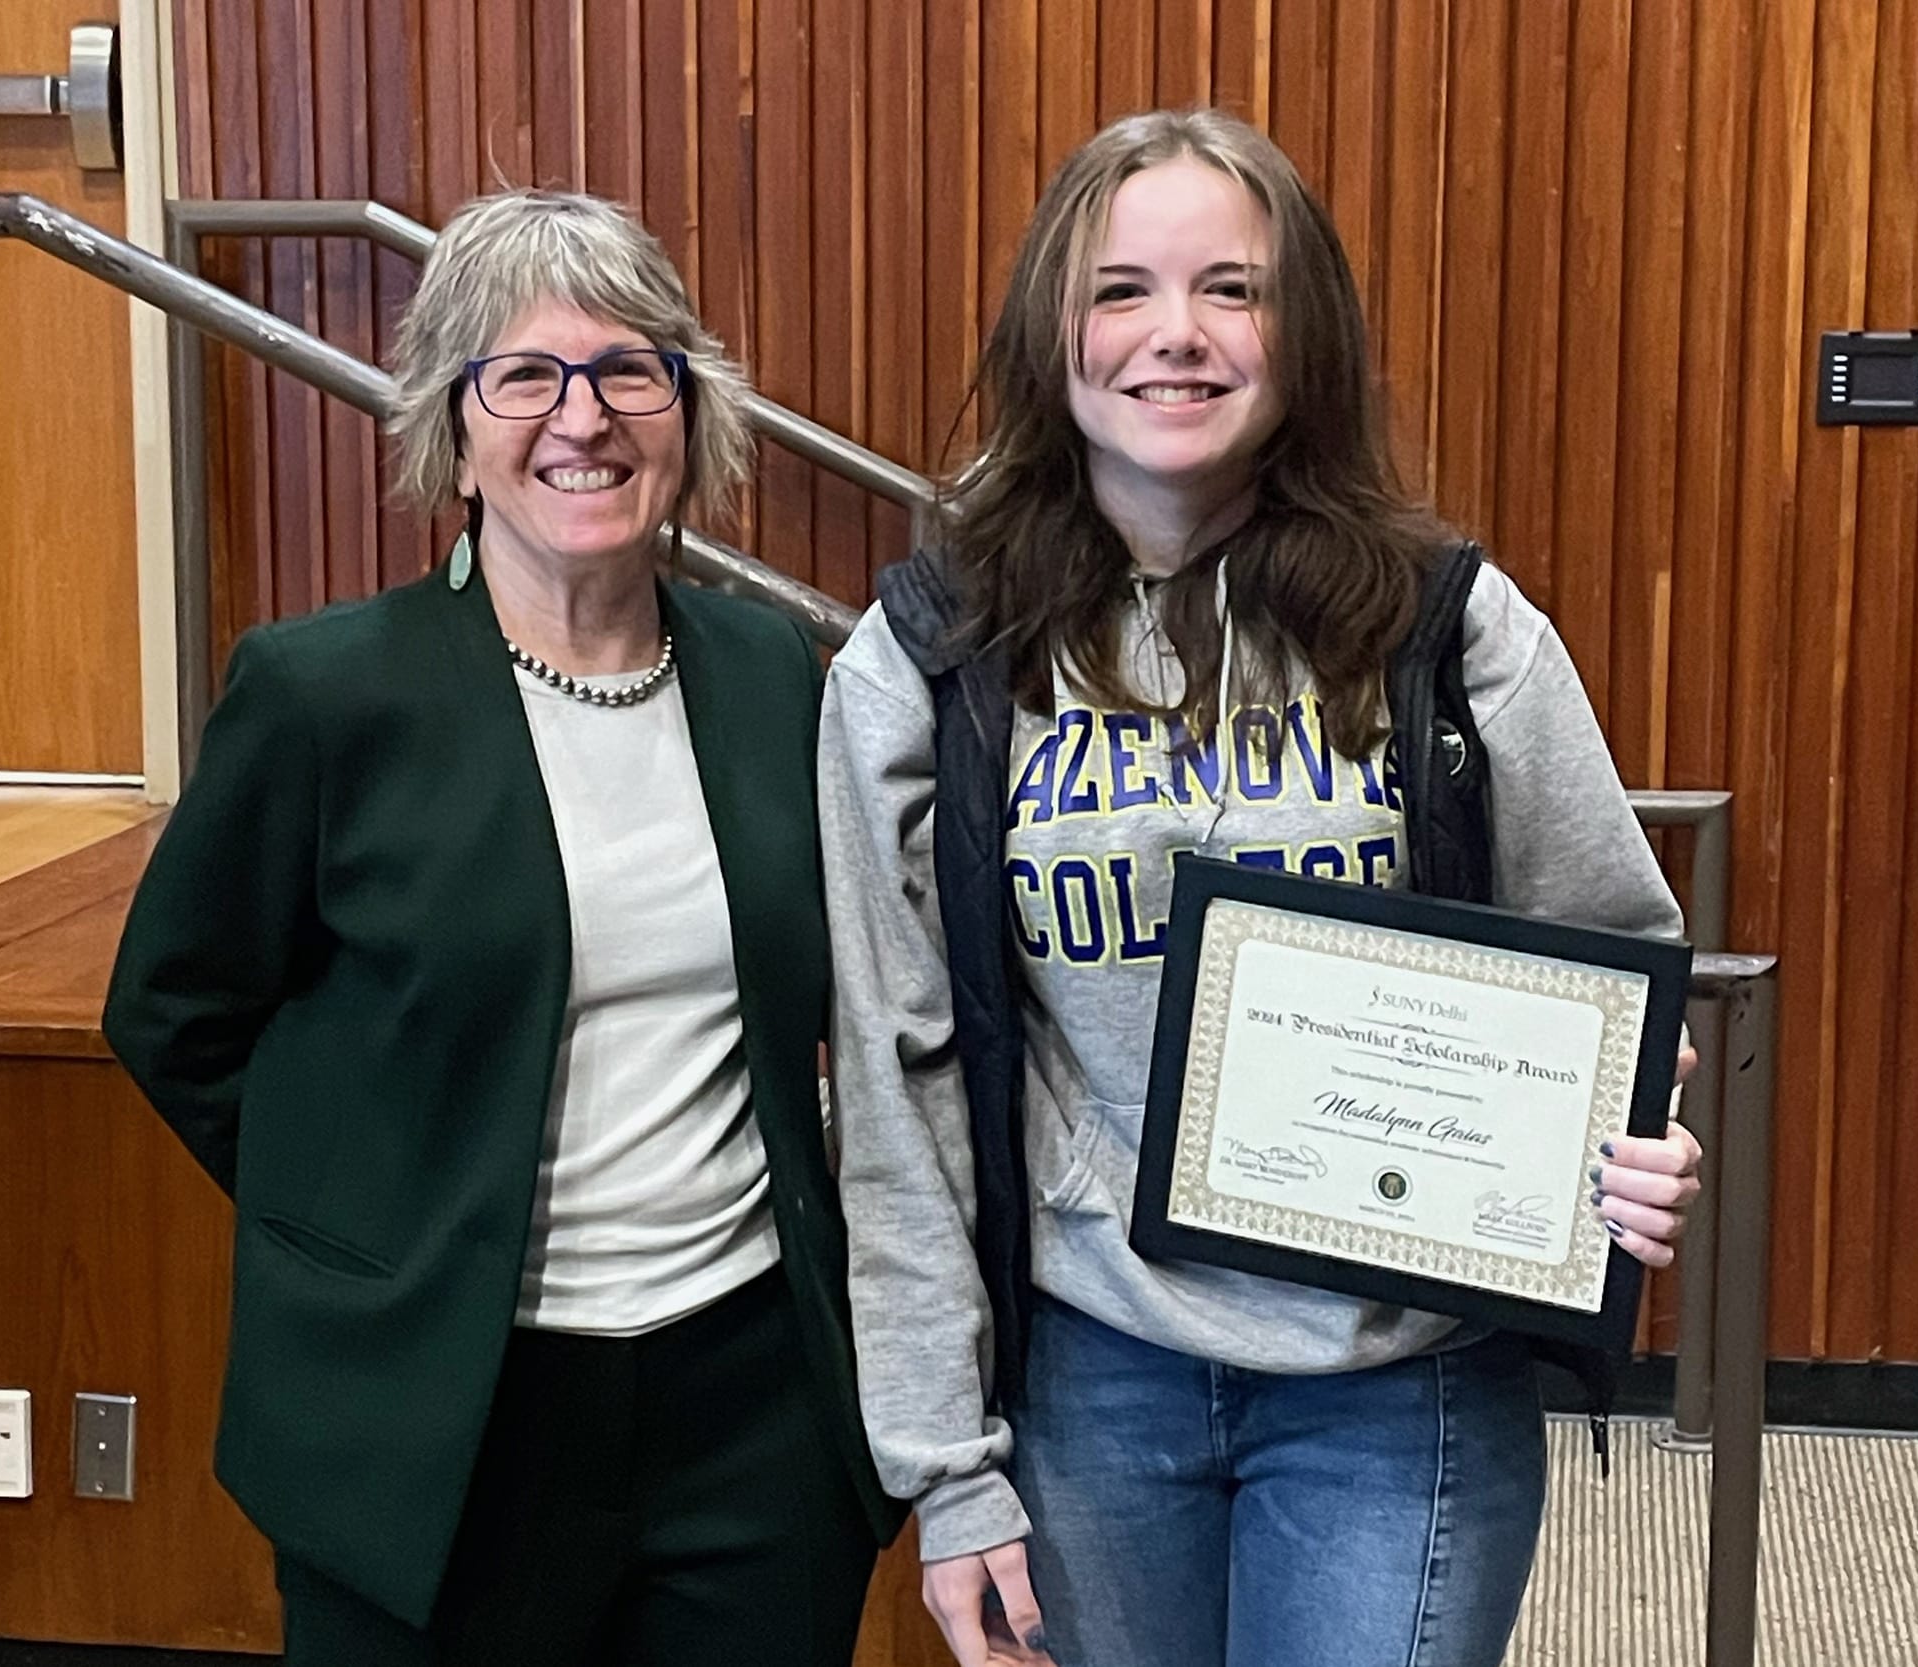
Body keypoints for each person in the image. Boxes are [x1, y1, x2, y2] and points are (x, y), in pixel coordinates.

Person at [818, 110, 1702, 1667]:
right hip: (1094, 1371)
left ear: (1305, 340)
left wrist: (1632, 1128)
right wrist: (945, 1473)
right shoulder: (932, 659)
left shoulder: (1449, 630)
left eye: (1233, 289)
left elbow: (1614, 963)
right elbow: (900, 1095)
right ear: (1052, 331)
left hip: (1400, 1376)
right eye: (1120, 290)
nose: (1177, 336)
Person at [103, 187, 896, 1667]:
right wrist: (374, 1229)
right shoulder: (325, 695)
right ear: (455, 429)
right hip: (437, 1429)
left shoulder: (773, 671)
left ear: (688, 409)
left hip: (750, 1419)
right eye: (524, 376)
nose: (580, 419)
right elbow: (175, 1013)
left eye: (628, 371)